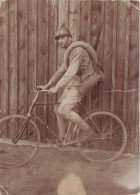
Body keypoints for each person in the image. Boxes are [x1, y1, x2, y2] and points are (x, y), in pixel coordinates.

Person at [36, 23, 104, 142]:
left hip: (84, 82)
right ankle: (63, 138)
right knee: (57, 108)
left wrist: (56, 87)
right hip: (76, 82)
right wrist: (47, 85)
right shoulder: (70, 52)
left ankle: (88, 131)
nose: (60, 41)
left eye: (63, 37)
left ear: (70, 37)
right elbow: (61, 71)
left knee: (63, 109)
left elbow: (71, 72)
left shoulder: (78, 50)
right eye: (58, 39)